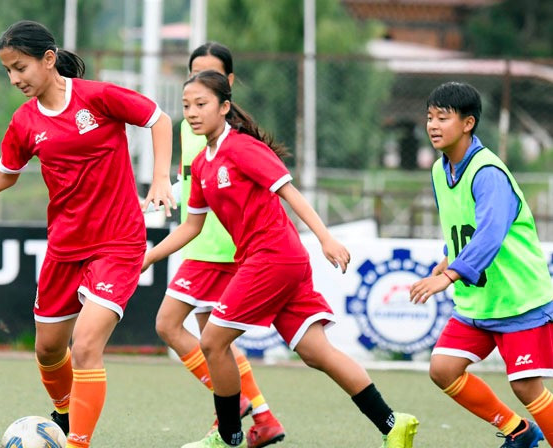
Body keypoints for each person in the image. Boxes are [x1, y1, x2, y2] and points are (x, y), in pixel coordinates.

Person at [0, 20, 174, 448]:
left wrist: (160, 178)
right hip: (65, 247)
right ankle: (66, 416)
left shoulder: (98, 97)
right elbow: (5, 173)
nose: (15, 79)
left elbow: (159, 119)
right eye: (8, 71)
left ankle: (77, 442)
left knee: (86, 345)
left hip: (117, 243)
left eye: (21, 67)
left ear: (48, 60)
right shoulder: (25, 122)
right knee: (49, 350)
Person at [142, 70, 419, 448]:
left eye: (201, 104)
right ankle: (393, 423)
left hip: (272, 257)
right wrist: (148, 258)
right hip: (278, 260)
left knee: (212, 342)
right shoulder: (204, 164)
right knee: (316, 352)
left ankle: (227, 437)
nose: (192, 112)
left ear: (224, 107)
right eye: (187, 105)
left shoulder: (240, 148)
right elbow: (191, 227)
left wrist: (326, 239)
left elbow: (289, 192)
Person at [410, 82, 552, 448]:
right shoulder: (441, 171)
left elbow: (489, 235)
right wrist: (442, 268)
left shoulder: (487, 172)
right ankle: (519, 432)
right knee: (443, 369)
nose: (433, 126)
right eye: (429, 117)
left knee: (525, 386)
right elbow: (459, 233)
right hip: (479, 301)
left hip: (519, 300)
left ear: (468, 122)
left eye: (443, 117)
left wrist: (450, 276)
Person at [155, 42, 284, 448]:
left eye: (210, 75)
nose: (198, 83)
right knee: (212, 343)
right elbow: (196, 184)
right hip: (198, 243)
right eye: (193, 73)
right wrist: (168, 188)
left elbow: (266, 190)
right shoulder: (187, 127)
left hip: (228, 249)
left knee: (180, 329)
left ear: (227, 85)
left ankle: (236, 408)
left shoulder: (240, 135)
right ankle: (260, 416)